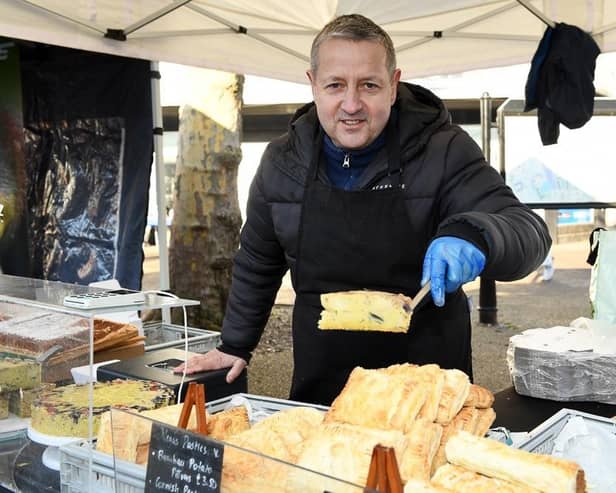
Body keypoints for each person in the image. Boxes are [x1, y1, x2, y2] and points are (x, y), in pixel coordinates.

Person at [174, 14, 551, 406]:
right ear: (313, 84)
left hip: (427, 383)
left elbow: (529, 232)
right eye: (335, 85)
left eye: (369, 85)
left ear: (393, 86)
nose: (351, 104)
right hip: (324, 383)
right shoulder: (282, 162)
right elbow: (257, 262)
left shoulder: (445, 150)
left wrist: (477, 235)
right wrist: (235, 344)